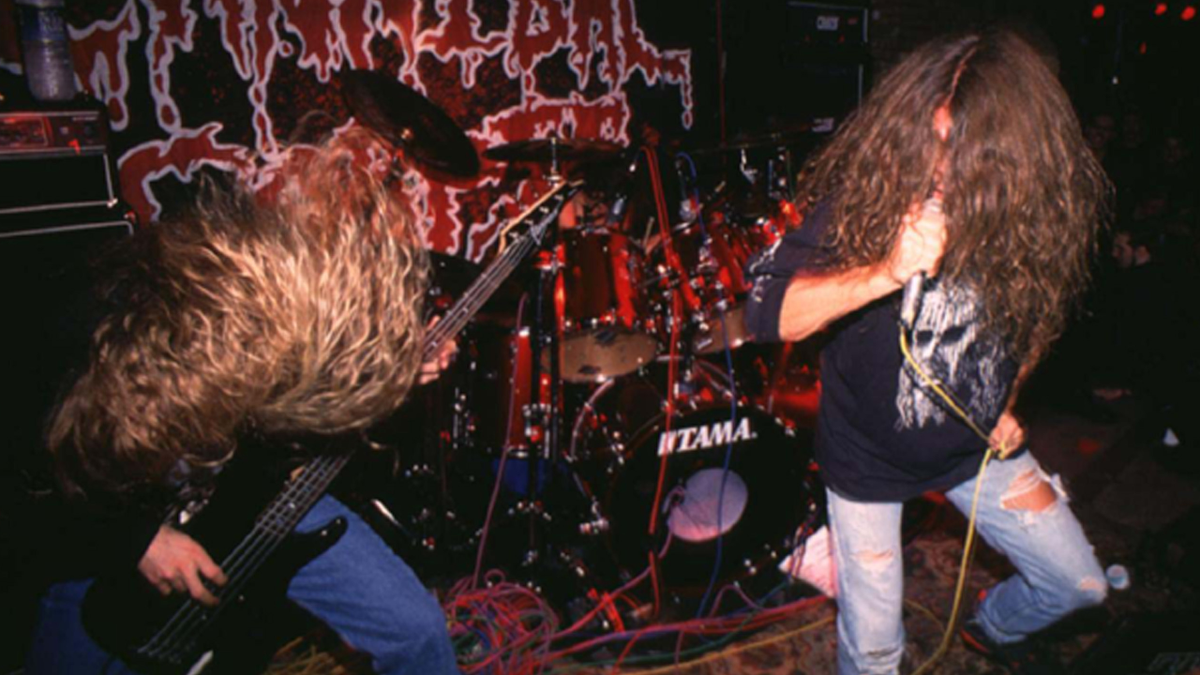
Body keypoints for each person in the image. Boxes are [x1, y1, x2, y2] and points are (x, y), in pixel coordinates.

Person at [25, 129, 461, 674]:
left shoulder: (289, 310)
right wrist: (135, 539)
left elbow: (304, 422)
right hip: (103, 524)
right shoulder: (81, 329)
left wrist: (394, 372)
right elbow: (26, 482)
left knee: (417, 631)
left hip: (256, 491)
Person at [745, 30, 1111, 674]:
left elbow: (1035, 321)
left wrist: (1007, 398)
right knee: (876, 656)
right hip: (868, 466)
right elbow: (766, 314)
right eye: (934, 138)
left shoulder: (1030, 219)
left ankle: (992, 623)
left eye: (963, 149)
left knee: (1080, 584)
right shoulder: (872, 196)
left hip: (972, 447)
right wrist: (885, 270)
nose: (941, 167)